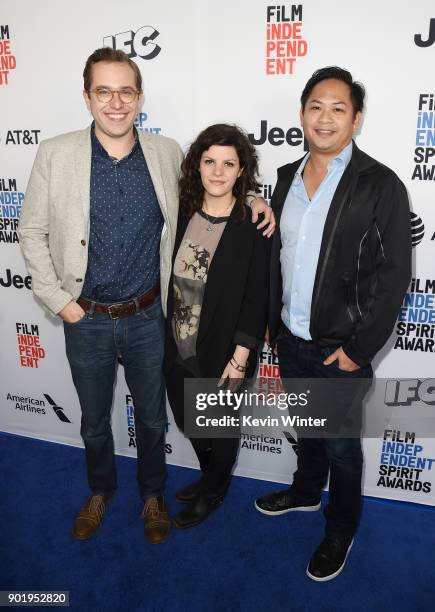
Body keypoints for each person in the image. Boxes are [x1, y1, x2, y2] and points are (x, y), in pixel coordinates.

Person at [18, 47, 274, 545]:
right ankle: (100, 491)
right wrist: (58, 301)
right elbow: (31, 232)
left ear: (139, 96)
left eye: (126, 91)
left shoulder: (165, 152)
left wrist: (251, 197)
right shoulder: (55, 153)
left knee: (154, 419)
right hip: (84, 315)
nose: (116, 102)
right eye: (104, 91)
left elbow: (208, 192)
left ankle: (152, 495)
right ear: (87, 96)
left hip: (147, 316)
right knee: (94, 421)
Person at [254, 67, 411, 580]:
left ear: (356, 120)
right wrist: (271, 328)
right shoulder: (283, 178)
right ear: (302, 113)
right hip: (291, 340)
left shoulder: (379, 184)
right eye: (316, 106)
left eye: (338, 109)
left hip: (339, 350)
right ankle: (303, 494)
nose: (325, 118)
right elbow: (276, 255)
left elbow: (393, 278)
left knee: (342, 449)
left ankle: (341, 528)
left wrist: (358, 349)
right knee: (306, 429)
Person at [164, 124, 271, 528]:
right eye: (210, 161)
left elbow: (257, 297)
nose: (218, 172)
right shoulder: (181, 210)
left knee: (220, 430)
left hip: (225, 351)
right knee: (189, 420)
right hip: (176, 344)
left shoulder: (253, 224)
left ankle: (213, 491)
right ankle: (210, 476)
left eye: (229, 163)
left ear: (242, 169)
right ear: (198, 165)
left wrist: (241, 358)